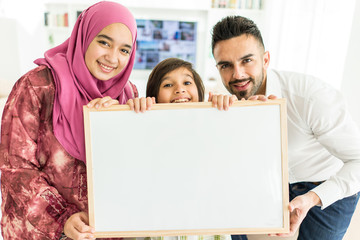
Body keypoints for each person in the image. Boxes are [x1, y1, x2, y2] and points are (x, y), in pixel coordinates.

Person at [211, 16, 360, 240]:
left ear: (266, 59)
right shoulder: (222, 104)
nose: (237, 74)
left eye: (247, 61)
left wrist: (312, 198)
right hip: (267, 183)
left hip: (325, 182)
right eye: (226, 65)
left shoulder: (311, 97)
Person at [0, 1, 138, 240]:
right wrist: (62, 219)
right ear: (84, 36)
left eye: (124, 50)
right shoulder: (39, 86)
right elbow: (15, 167)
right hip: (43, 233)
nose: (112, 57)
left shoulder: (128, 95)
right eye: (104, 42)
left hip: (105, 233)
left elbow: (135, 168)